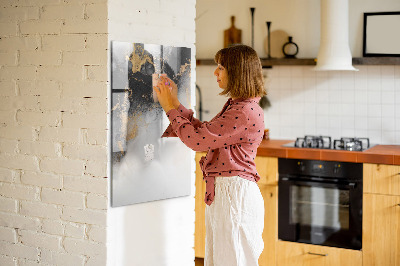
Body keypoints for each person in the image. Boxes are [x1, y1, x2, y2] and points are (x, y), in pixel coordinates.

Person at [154, 44, 266, 266]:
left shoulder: (243, 111)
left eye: (221, 67)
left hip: (234, 196)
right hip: (229, 194)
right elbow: (205, 133)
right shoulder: (239, 106)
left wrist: (169, 108)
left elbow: (197, 141)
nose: (215, 72)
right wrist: (175, 103)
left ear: (237, 72)